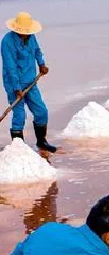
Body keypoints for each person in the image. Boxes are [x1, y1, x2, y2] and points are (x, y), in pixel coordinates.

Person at [2, 12, 56, 152]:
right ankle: (18, 149)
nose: (27, 34)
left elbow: (37, 51)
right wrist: (16, 87)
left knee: (41, 111)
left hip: (30, 80)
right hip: (14, 83)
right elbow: (10, 66)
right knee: (19, 114)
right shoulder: (7, 42)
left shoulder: (31, 37)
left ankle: (41, 142)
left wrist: (41, 64)